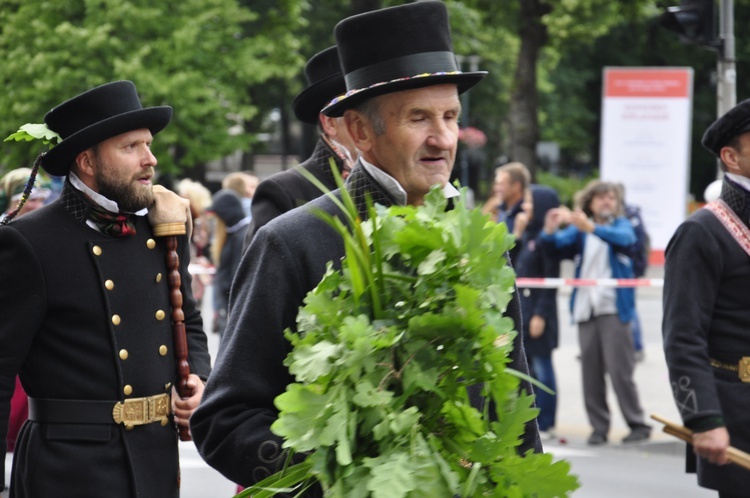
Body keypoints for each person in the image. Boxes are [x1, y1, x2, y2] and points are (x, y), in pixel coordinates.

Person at [191, 1, 541, 491]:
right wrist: (343, 474)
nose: (442, 138)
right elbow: (223, 420)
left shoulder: (479, 242)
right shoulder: (292, 242)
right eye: (418, 118)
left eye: (450, 116)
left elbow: (512, 402)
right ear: (359, 130)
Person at [0, 80, 211, 497]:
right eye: (131, 147)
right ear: (88, 161)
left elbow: (189, 319)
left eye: (148, 145)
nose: (150, 159)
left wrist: (198, 378)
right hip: (66, 473)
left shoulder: (163, 226)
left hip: (155, 464)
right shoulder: (29, 241)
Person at [662, 98, 750, 496]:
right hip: (737, 417)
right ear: (731, 157)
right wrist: (703, 418)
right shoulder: (701, 232)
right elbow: (683, 336)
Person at [539, 179, 651, 446]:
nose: (607, 202)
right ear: (590, 202)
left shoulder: (621, 224)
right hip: (586, 308)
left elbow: (626, 239)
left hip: (614, 307)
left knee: (620, 370)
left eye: (611, 198)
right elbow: (553, 246)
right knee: (590, 373)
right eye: (601, 198)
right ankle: (598, 427)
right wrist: (550, 228)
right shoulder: (580, 231)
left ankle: (637, 423)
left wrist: (592, 228)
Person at [242, 45, 356, 248]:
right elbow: (262, 276)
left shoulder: (403, 181)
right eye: (358, 117)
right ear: (329, 123)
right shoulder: (283, 191)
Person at [0, 168, 51, 461]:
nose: (36, 204)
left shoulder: (45, 232)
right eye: (29, 197)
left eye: (41, 198)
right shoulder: (5, 230)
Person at [515, 184, 561, 440]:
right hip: (525, 311)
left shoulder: (547, 240)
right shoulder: (531, 235)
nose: (525, 206)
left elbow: (550, 281)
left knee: (543, 369)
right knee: (530, 369)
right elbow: (514, 266)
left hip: (539, 316)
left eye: (530, 201)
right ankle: (534, 421)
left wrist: (540, 315)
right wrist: (517, 235)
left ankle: (547, 422)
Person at [206, 189, 251, 337]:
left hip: (232, 311)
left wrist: (233, 311)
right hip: (227, 309)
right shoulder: (235, 234)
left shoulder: (242, 236)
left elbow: (238, 278)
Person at [614, 183, 650, 362]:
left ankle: (636, 346)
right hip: (625, 268)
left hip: (630, 269)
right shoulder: (622, 213)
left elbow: (636, 242)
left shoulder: (629, 214)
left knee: (629, 307)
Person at [494, 162, 532, 261]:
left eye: (501, 184)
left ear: (516, 186)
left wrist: (517, 237)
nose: (496, 188)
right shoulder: (502, 210)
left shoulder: (527, 214)